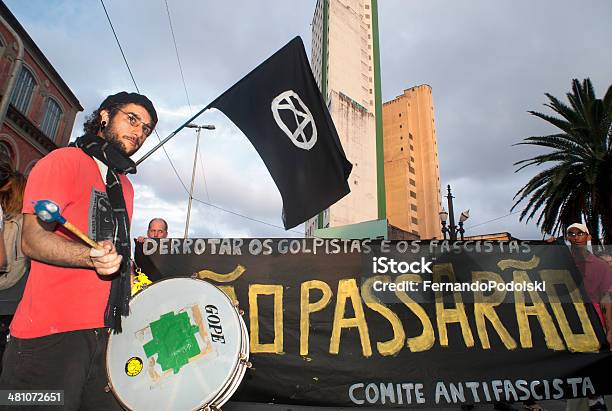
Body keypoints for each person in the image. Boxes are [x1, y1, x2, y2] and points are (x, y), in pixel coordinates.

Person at [0, 91, 158, 409]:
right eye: (132, 119)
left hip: (107, 334)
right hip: (48, 335)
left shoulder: (124, 185)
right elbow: (31, 240)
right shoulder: (62, 162)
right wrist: (89, 256)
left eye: (147, 129)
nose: (139, 132)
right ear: (104, 116)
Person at [564, 224, 612, 411]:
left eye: (580, 233)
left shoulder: (600, 266)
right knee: (576, 375)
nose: (576, 237)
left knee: (596, 371)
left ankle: (597, 402)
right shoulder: (561, 263)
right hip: (569, 327)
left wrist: (609, 331)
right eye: (571, 234)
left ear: (588, 237)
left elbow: (607, 299)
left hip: (595, 326)